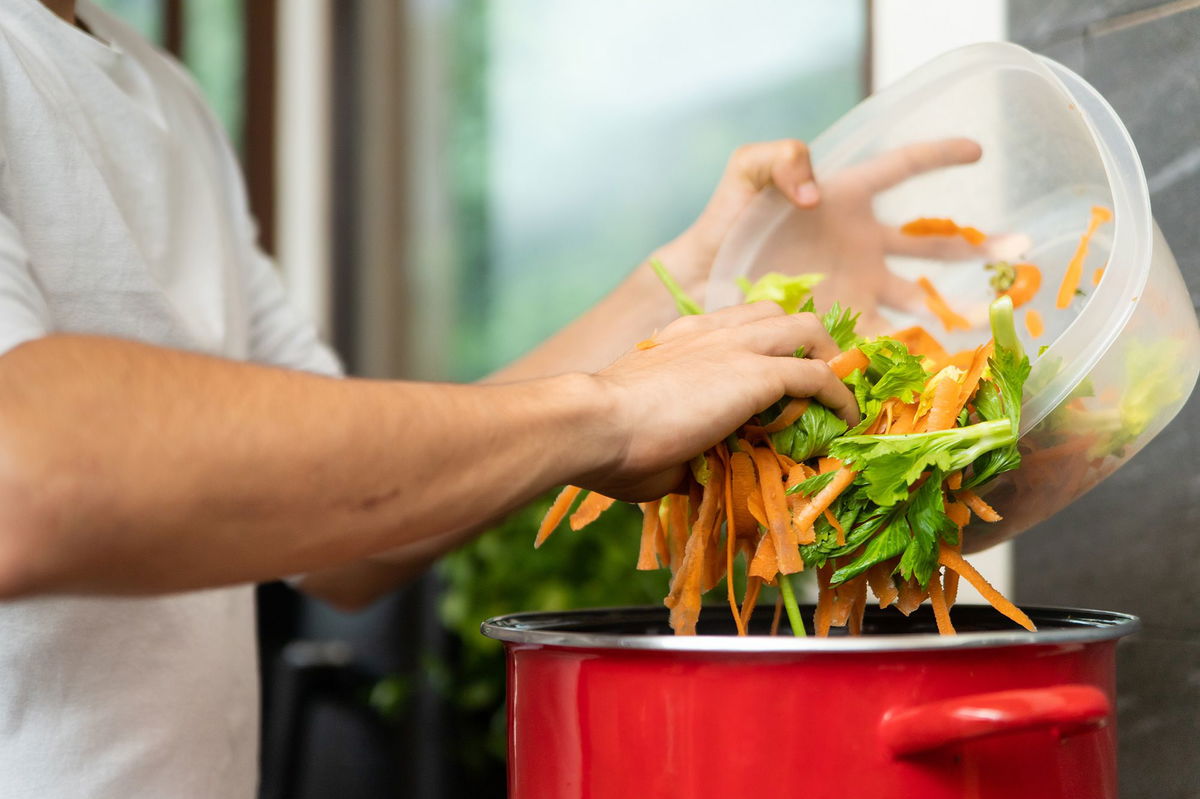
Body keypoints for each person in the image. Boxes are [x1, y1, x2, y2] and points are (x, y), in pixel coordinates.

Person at [0, 1, 984, 796]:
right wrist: (605, 413)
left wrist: (700, 284)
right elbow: (25, 472)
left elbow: (347, 529)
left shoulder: (161, 93)